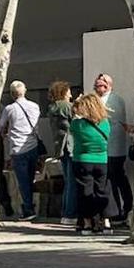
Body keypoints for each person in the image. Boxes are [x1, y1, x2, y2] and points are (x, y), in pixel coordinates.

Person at [0, 80, 41, 221]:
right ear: (25, 91)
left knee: (22, 181)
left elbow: (1, 127)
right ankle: (29, 206)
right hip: (33, 145)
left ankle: (28, 208)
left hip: (17, 147)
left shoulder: (9, 109)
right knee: (30, 178)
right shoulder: (35, 106)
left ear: (12, 94)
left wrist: (6, 133)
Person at [69, 92, 111, 235]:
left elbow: (72, 116)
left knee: (85, 192)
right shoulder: (105, 123)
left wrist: (76, 102)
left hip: (82, 160)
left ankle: (87, 223)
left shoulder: (77, 124)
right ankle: (105, 222)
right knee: (102, 191)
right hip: (102, 160)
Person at [95, 74, 134, 225]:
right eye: (97, 86)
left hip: (113, 146)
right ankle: (120, 208)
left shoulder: (114, 100)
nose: (98, 88)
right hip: (109, 147)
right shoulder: (108, 99)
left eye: (101, 85)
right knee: (116, 179)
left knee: (114, 180)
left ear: (108, 86)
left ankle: (119, 210)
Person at [49, 81, 77, 226]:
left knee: (68, 181)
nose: (71, 94)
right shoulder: (66, 106)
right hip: (70, 145)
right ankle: (70, 213)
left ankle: (66, 212)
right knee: (72, 181)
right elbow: (77, 119)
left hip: (60, 147)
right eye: (69, 91)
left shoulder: (53, 107)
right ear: (63, 92)